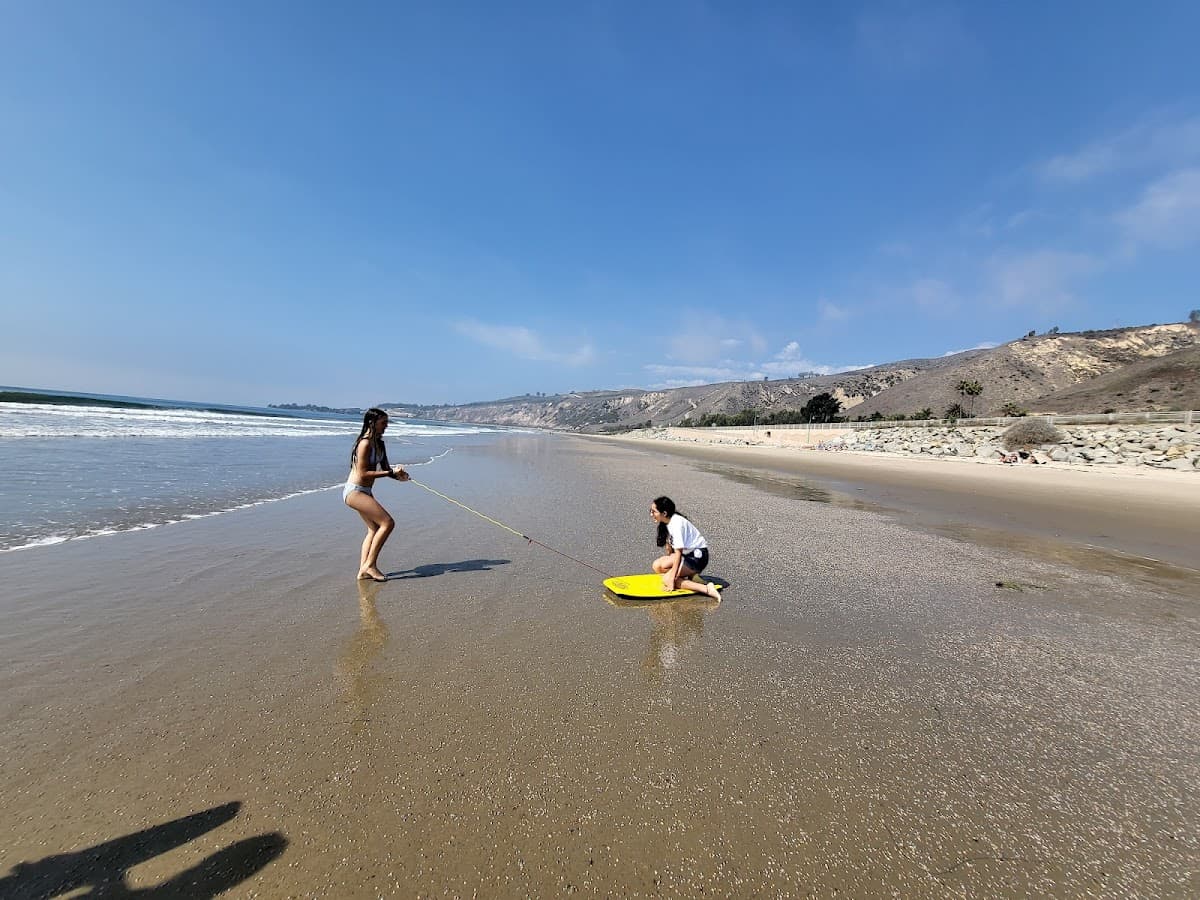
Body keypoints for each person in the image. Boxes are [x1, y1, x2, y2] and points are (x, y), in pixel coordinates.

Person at [343, 407, 409, 581]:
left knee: (373, 529)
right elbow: (363, 473)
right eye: (383, 423)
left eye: (386, 423)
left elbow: (386, 470)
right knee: (387, 523)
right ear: (372, 423)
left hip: (365, 491)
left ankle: (363, 571)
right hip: (354, 491)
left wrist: (399, 476)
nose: (386, 426)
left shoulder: (380, 444)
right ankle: (370, 565)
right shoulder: (364, 444)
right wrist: (390, 473)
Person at [649, 495, 721, 599]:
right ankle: (689, 575)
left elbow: (678, 554)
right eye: (650, 511)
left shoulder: (676, 524)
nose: (651, 514)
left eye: (654, 511)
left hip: (696, 558)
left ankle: (707, 589)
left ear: (664, 513)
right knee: (657, 566)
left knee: (667, 579)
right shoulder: (669, 522)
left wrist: (671, 577)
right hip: (687, 555)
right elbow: (673, 551)